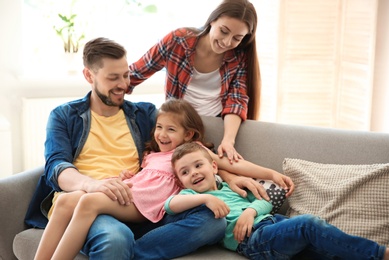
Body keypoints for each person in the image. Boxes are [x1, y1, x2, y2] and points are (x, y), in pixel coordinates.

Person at [25, 37, 228, 260]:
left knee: (213, 219)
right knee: (114, 236)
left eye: (125, 75)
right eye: (113, 78)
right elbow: (56, 166)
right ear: (89, 76)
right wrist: (93, 185)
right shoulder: (64, 116)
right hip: (91, 199)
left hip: (143, 201)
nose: (123, 84)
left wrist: (228, 176)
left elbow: (188, 152)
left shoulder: (145, 114)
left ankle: (137, 251)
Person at [34, 97, 294, 259]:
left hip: (145, 206)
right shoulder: (152, 154)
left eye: (171, 129)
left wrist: (270, 173)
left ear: (190, 135)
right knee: (69, 200)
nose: (162, 134)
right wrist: (129, 176)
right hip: (130, 193)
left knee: (87, 203)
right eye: (159, 127)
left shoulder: (193, 153)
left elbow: (234, 163)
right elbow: (143, 176)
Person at [167, 142, 389, 260]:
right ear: (181, 181)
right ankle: (380, 254)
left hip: (272, 223)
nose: (194, 173)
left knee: (323, 249)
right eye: (185, 172)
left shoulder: (232, 186)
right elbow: (170, 205)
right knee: (307, 224)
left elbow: (264, 200)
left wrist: (250, 211)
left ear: (214, 166)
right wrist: (206, 198)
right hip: (254, 241)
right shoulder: (192, 196)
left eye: (198, 165)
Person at [128, 0, 260, 163]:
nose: (227, 42)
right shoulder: (178, 40)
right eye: (223, 31)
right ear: (213, 20)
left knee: (223, 171)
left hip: (215, 126)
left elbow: (236, 102)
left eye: (237, 38)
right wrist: (105, 85)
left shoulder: (238, 58)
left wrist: (228, 140)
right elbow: (137, 71)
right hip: (179, 127)